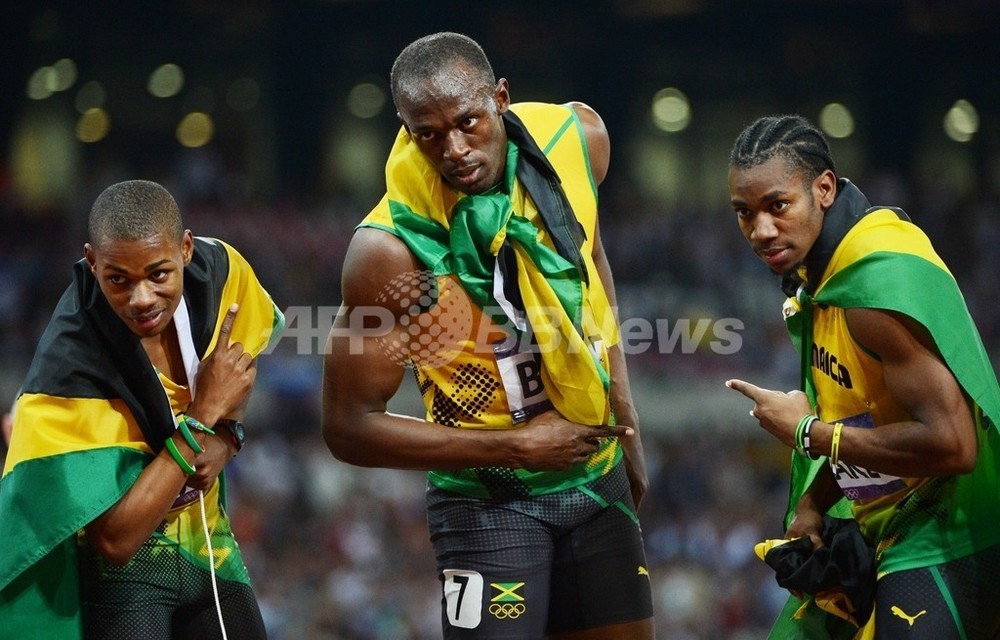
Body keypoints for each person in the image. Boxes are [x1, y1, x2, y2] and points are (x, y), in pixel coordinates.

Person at [322, 32, 654, 639]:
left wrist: (628, 425)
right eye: (427, 133)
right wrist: (515, 448)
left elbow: (593, 261)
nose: (452, 148)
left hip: (596, 476)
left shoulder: (578, 142)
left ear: (501, 97)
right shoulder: (388, 253)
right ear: (403, 128)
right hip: (487, 501)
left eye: (468, 122)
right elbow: (348, 428)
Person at [724, 115, 1000, 639]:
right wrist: (812, 506)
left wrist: (808, 434)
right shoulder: (818, 281)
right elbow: (866, 419)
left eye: (777, 206)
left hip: (950, 532)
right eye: (744, 213)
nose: (761, 231)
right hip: (886, 528)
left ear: (824, 189)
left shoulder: (872, 282)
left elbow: (954, 443)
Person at [0, 180, 284, 639]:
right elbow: (115, 540)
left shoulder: (222, 275)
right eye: (118, 279)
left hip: (210, 549)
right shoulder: (70, 366)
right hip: (126, 577)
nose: (142, 299)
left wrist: (228, 436)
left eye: (158, 274)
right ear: (92, 263)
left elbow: (240, 366)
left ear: (186, 249)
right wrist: (202, 418)